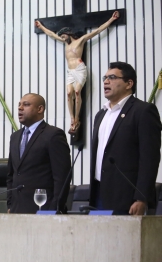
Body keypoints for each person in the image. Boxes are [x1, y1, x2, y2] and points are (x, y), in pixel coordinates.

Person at [90, 62, 162, 215]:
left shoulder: (143, 111)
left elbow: (150, 158)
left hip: (127, 196)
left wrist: (141, 198)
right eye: (105, 77)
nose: (106, 81)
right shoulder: (100, 115)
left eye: (112, 77)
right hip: (98, 193)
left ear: (129, 83)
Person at [35, 11, 120, 134]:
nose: (63, 38)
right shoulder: (66, 43)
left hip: (80, 69)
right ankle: (72, 118)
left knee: (76, 91)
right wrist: (41, 27)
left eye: (64, 36)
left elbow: (97, 31)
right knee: (69, 93)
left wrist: (111, 19)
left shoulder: (80, 41)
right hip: (70, 71)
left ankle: (77, 118)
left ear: (68, 34)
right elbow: (52, 35)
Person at [7, 93, 71, 214]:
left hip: (44, 209)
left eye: (26, 105)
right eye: (19, 105)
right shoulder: (15, 137)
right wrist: (10, 204)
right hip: (17, 209)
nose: (20, 108)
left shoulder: (53, 135)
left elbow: (62, 177)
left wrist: (54, 209)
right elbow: (12, 174)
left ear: (40, 109)